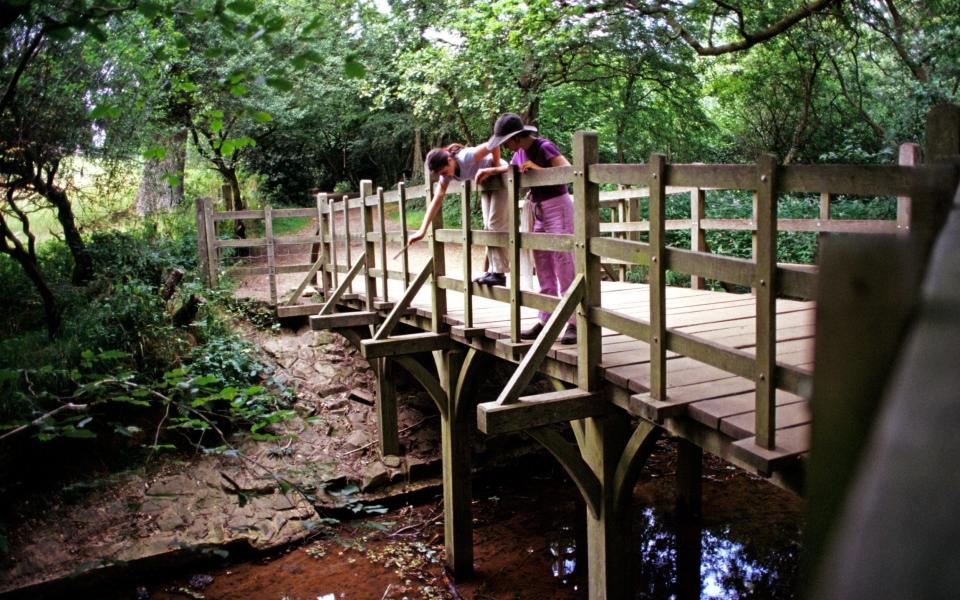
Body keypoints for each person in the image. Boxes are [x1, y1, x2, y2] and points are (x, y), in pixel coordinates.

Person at [477, 113, 576, 345]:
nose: (505, 147)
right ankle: (545, 319)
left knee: (563, 261)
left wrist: (538, 169)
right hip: (536, 208)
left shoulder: (544, 146)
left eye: (506, 143)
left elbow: (569, 171)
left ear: (517, 138)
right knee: (541, 262)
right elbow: (510, 170)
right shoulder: (519, 153)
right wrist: (490, 171)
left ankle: (573, 322)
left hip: (557, 206)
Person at [408, 141, 509, 286]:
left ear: (450, 160)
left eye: (444, 172)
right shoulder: (447, 174)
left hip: (501, 177)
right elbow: (436, 201)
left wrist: (495, 168)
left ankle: (499, 273)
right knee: (488, 226)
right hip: (487, 183)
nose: (444, 176)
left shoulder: (466, 157)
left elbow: (494, 144)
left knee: (495, 224)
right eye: (441, 174)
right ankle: (494, 270)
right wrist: (422, 230)